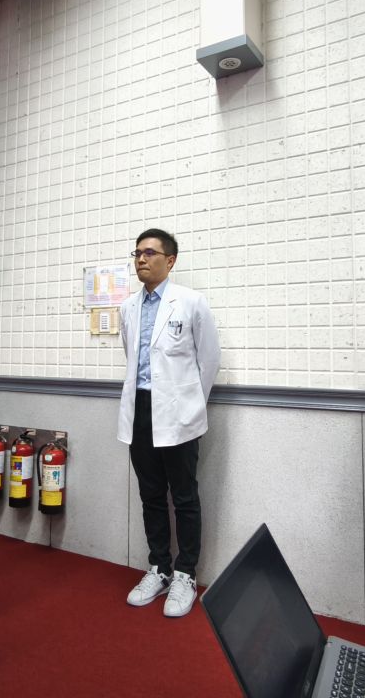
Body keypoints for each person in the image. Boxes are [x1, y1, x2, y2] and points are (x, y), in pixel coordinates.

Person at [118, 228, 220, 618]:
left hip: (178, 412)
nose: (141, 259)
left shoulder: (191, 302)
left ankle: (185, 574)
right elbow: (132, 358)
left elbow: (209, 361)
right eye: (137, 253)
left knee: (184, 496)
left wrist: (189, 405)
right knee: (151, 494)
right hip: (140, 410)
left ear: (170, 260)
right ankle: (159, 567)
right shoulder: (128, 308)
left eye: (149, 253)